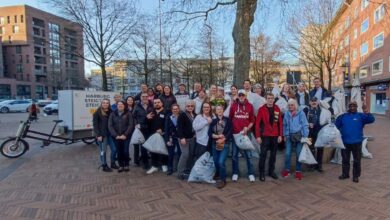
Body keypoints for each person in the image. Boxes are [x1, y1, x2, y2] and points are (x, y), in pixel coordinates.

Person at [336, 101, 375, 183]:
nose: (352, 108)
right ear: (348, 107)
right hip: (345, 142)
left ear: (357, 107)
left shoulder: (361, 116)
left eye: (354, 106)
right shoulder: (343, 116)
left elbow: (371, 119)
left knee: (357, 160)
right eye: (350, 106)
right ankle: (345, 174)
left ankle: (356, 176)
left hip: (357, 142)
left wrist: (367, 112)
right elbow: (336, 126)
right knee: (345, 160)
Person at [229, 89, 256, 182]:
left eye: (243, 95)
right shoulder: (233, 105)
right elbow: (231, 118)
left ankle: (251, 173)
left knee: (248, 155)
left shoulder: (250, 106)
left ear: (245, 96)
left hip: (246, 134)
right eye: (239, 95)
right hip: (235, 134)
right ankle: (235, 173)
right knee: (234, 154)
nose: (241, 97)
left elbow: (252, 120)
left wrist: (247, 128)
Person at [255, 93, 283, 181]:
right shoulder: (261, 109)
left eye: (272, 98)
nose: (270, 100)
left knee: (273, 155)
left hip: (275, 136)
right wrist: (258, 136)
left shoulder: (277, 108)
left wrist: (280, 135)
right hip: (265, 136)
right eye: (268, 98)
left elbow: (280, 123)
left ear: (274, 99)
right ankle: (262, 173)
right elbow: (257, 124)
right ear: (266, 99)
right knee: (263, 154)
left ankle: (271, 171)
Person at [282, 99, 309, 180]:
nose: (290, 106)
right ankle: (287, 169)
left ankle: (298, 171)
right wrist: (285, 134)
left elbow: (305, 125)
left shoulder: (301, 113)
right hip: (289, 136)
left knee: (298, 153)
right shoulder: (287, 113)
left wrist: (305, 136)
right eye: (289, 105)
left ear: (295, 105)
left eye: (292, 105)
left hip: (299, 136)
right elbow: (285, 125)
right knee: (287, 153)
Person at [209, 105, 233, 189]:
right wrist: (217, 136)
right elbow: (209, 133)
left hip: (224, 144)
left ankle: (223, 179)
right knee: (215, 161)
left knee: (221, 162)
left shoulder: (228, 120)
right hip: (214, 144)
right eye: (218, 109)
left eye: (221, 109)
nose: (219, 110)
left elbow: (230, 132)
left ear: (223, 110)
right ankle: (218, 174)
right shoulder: (213, 121)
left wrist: (223, 139)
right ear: (216, 111)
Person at [108, 100, 134, 173]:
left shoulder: (128, 113)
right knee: (119, 151)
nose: (120, 105)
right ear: (117, 106)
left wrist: (125, 134)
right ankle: (121, 165)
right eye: (118, 104)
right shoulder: (113, 114)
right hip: (116, 137)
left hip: (126, 136)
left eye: (121, 104)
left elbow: (130, 125)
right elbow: (110, 125)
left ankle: (126, 164)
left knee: (125, 151)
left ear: (124, 105)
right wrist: (116, 135)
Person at [146, 98, 169, 174]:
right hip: (153, 134)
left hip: (163, 134)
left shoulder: (166, 112)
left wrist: (163, 130)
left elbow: (169, 123)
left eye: (158, 102)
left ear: (162, 103)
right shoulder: (151, 112)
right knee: (153, 150)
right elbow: (146, 124)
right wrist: (147, 118)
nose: (157, 104)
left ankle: (164, 164)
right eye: (155, 103)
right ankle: (154, 166)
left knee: (164, 149)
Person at [133, 93, 154, 169]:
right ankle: (145, 163)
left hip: (151, 128)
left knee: (151, 146)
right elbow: (134, 117)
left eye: (146, 96)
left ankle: (154, 162)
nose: (145, 97)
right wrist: (136, 124)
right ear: (140, 98)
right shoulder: (137, 106)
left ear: (148, 97)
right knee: (143, 146)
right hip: (141, 129)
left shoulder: (152, 105)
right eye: (143, 96)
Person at [176, 100, 197, 179]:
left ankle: (187, 170)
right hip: (184, 138)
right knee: (185, 154)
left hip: (192, 138)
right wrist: (181, 138)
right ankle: (180, 173)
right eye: (188, 106)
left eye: (192, 106)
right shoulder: (182, 115)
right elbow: (179, 127)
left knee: (191, 155)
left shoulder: (195, 115)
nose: (190, 107)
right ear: (185, 106)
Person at [307, 97, 328, 172]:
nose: (314, 102)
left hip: (320, 133)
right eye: (312, 101)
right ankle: (311, 164)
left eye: (315, 101)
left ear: (318, 102)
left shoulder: (322, 110)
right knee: (310, 148)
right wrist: (308, 124)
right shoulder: (307, 110)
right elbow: (302, 120)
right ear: (310, 102)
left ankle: (319, 166)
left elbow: (326, 121)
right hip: (309, 134)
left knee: (320, 149)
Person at [93, 99, 113, 172]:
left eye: (107, 103)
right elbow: (95, 125)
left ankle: (112, 163)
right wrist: (98, 135)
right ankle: (104, 165)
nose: (105, 104)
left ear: (109, 104)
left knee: (114, 149)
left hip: (110, 134)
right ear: (101, 104)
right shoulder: (97, 112)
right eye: (104, 103)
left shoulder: (111, 111)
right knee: (103, 151)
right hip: (102, 135)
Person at [164, 104, 182, 175]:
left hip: (180, 138)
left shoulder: (181, 116)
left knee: (180, 153)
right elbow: (166, 129)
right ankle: (170, 168)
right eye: (174, 109)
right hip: (171, 138)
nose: (175, 110)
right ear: (171, 110)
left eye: (176, 109)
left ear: (178, 109)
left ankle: (180, 168)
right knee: (170, 154)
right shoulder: (169, 117)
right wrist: (167, 140)